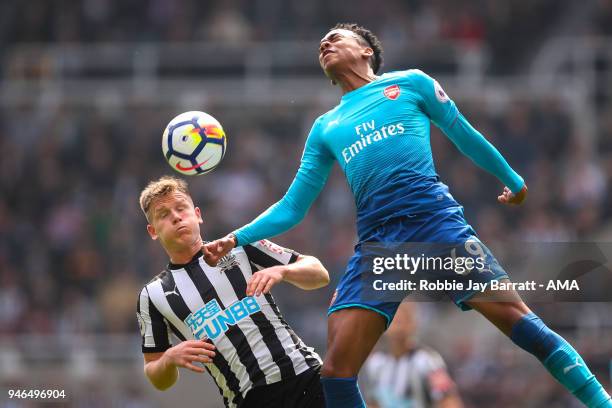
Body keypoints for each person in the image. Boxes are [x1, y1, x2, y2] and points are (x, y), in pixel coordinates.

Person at [203, 23, 612, 408]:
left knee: (520, 322)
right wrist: (235, 238)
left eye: (334, 38)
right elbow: (293, 207)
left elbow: (464, 134)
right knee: (336, 371)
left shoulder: (411, 83)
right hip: (379, 245)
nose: (324, 45)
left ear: (366, 51)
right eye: (320, 45)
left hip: (436, 223)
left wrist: (513, 179)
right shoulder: (326, 126)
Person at [136, 176, 328, 408]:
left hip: (306, 377)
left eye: (181, 208)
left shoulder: (239, 245)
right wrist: (168, 359)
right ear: (152, 231)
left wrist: (282, 271)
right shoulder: (153, 295)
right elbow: (157, 376)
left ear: (197, 214)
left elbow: (319, 274)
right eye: (164, 214)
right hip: (248, 401)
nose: (176, 217)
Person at [361, 302, 463, 408]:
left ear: (413, 324)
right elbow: (373, 402)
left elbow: (449, 401)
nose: (397, 326)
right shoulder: (376, 362)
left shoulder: (428, 361)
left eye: (402, 320)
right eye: (394, 320)